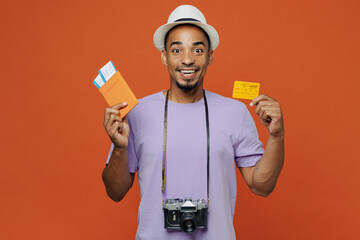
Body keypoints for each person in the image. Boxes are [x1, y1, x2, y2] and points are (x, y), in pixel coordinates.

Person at [102, 5, 284, 240]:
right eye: (177, 50)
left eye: (197, 50)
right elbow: (115, 192)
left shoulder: (235, 112)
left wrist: (277, 137)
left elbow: (262, 186)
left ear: (210, 56)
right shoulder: (137, 113)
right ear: (164, 56)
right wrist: (119, 148)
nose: (187, 59)